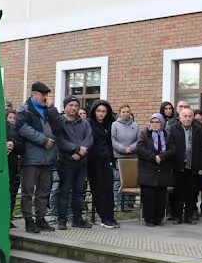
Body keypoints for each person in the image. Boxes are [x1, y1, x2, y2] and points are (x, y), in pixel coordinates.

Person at [15, 82, 58, 233]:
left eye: (46, 94)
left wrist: (52, 109)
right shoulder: (23, 109)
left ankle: (40, 218)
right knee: (28, 191)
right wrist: (43, 140)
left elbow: (58, 126)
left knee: (44, 190)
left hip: (48, 157)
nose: (45, 97)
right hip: (31, 158)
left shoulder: (48, 109)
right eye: (43, 94)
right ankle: (28, 220)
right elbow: (22, 128)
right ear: (34, 94)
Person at [55, 96, 94, 229]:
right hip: (66, 162)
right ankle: (62, 220)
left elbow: (89, 138)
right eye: (71, 105)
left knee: (78, 192)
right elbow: (60, 140)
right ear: (65, 106)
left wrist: (82, 151)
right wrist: (75, 150)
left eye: (76, 105)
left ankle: (77, 219)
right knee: (64, 191)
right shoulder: (59, 122)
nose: (73, 108)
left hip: (82, 162)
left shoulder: (84, 123)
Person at [170, 107, 202, 224]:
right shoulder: (173, 129)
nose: (187, 119)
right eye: (185, 116)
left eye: (190, 116)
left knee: (191, 193)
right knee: (178, 193)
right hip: (178, 166)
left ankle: (189, 216)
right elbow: (170, 147)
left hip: (193, 166)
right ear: (180, 118)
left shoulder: (197, 129)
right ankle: (177, 216)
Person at [137, 113, 174, 226]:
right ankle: (149, 219)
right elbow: (140, 148)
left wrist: (162, 157)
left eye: (157, 122)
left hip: (163, 169)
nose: (154, 124)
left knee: (160, 196)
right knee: (148, 196)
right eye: (152, 122)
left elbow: (172, 149)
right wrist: (154, 157)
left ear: (162, 123)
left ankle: (159, 218)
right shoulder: (144, 133)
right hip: (148, 169)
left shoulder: (167, 134)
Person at [87, 100, 118, 229]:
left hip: (107, 160)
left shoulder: (109, 124)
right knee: (98, 190)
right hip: (93, 161)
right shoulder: (89, 124)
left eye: (104, 111)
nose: (101, 114)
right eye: (98, 111)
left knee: (108, 189)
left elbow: (111, 143)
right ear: (94, 111)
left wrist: (112, 159)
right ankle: (104, 217)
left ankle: (110, 216)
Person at [111, 104, 139, 212]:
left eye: (127, 111)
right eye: (123, 112)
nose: (125, 113)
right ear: (119, 113)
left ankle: (129, 204)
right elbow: (113, 140)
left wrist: (131, 148)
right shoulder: (115, 125)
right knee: (118, 181)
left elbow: (139, 139)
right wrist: (123, 149)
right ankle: (117, 203)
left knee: (131, 180)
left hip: (132, 156)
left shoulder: (135, 125)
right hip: (119, 157)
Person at [5, 109, 24, 229]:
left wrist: (14, 144)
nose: (12, 120)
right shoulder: (2, 129)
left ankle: (10, 217)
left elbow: (22, 146)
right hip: (4, 165)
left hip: (14, 166)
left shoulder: (17, 132)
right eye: (10, 118)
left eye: (14, 118)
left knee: (12, 194)